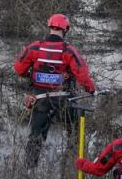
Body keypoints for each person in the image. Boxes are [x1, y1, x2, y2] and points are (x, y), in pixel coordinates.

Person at [13, 13, 96, 167]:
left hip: (40, 99)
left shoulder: (34, 47)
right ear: (66, 30)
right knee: (74, 132)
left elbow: (18, 68)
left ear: (50, 27)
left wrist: (30, 74)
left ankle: (29, 169)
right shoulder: (69, 51)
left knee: (35, 136)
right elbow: (82, 74)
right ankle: (70, 167)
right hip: (64, 99)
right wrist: (91, 90)